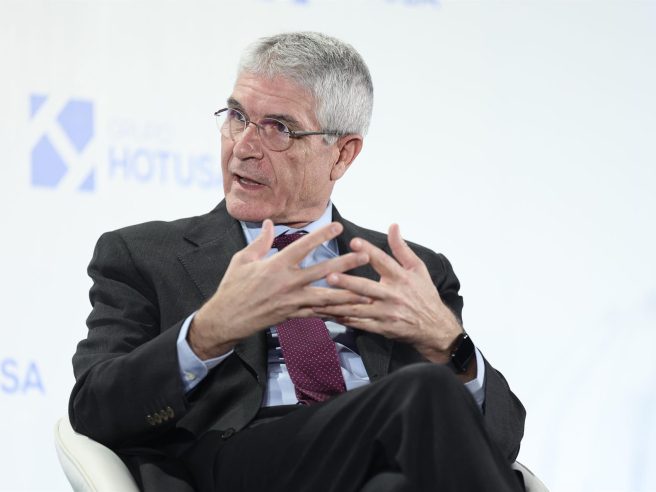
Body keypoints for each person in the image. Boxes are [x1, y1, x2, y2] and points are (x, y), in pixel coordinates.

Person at [69, 32, 526, 492]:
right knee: (424, 390)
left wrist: (449, 344)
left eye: (279, 129)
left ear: (342, 154)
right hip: (244, 463)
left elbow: (500, 443)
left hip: (381, 462)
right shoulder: (145, 254)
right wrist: (207, 334)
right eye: (237, 117)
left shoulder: (408, 271)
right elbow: (93, 410)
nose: (243, 147)